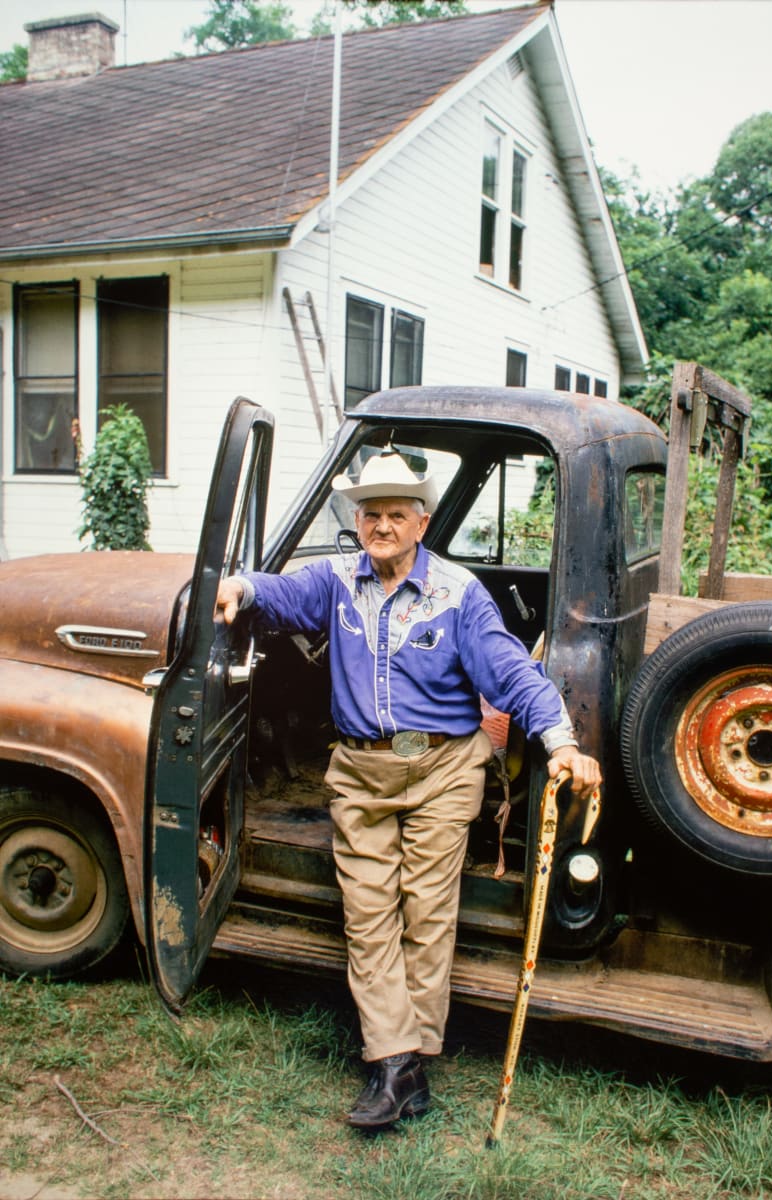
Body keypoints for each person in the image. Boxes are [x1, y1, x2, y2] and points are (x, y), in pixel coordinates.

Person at [216, 448, 601, 1130]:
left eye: (397, 514)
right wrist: (240, 589)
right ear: (358, 520)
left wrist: (561, 741)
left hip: (443, 771)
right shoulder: (336, 580)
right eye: (371, 513)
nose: (382, 525)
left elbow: (511, 672)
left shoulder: (458, 594)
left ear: (422, 523)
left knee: (426, 914)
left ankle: (403, 1063)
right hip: (362, 772)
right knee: (368, 917)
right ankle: (399, 1065)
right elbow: (276, 593)